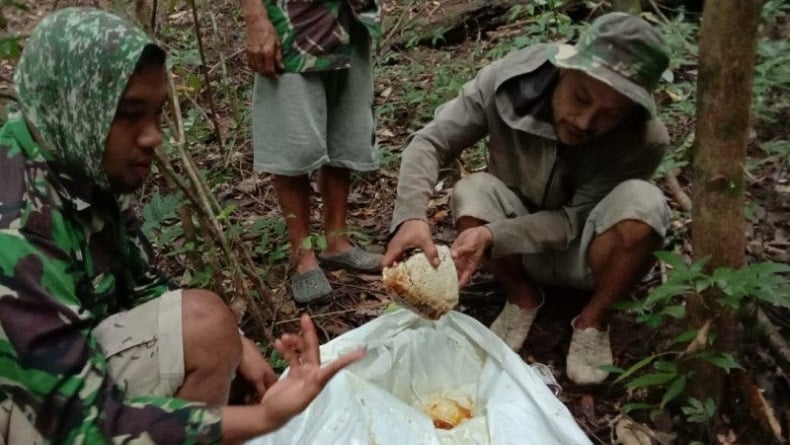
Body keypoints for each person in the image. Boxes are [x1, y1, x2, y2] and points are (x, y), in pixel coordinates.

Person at [0, 8, 363, 444]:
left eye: (156, 114)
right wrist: (262, 420)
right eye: (129, 113)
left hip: (67, 376)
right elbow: (75, 421)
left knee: (210, 331)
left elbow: (142, 284)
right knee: (207, 330)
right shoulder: (14, 222)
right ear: (71, 105)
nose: (153, 136)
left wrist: (237, 343)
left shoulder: (79, 158)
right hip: (43, 410)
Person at [382, 12, 672, 385]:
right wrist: (410, 216)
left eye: (610, 115)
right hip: (514, 246)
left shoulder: (644, 140)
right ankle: (521, 296)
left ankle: (594, 320)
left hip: (584, 252)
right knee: (472, 191)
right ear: (564, 69)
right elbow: (431, 142)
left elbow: (572, 221)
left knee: (645, 204)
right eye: (581, 97)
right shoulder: (506, 85)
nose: (584, 122)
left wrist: (493, 235)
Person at [241, 0, 383, 303]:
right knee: (294, 142)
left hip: (351, 18)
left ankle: (337, 242)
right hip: (292, 24)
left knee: (346, 131)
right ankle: (302, 255)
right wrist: (256, 18)